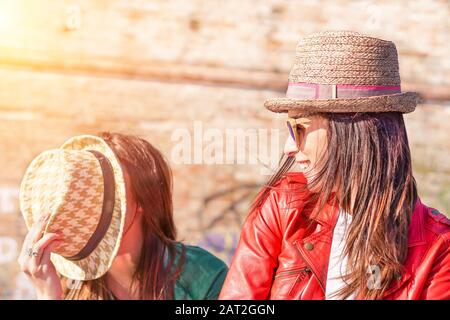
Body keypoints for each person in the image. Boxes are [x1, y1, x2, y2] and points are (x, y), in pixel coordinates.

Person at [219, 31, 450, 300]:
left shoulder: (438, 248)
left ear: (351, 132)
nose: (289, 148)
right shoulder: (281, 207)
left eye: (299, 128)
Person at [18, 132, 228, 300]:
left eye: (102, 189)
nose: (89, 201)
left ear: (143, 198)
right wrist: (47, 295)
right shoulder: (63, 285)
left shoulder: (202, 275)